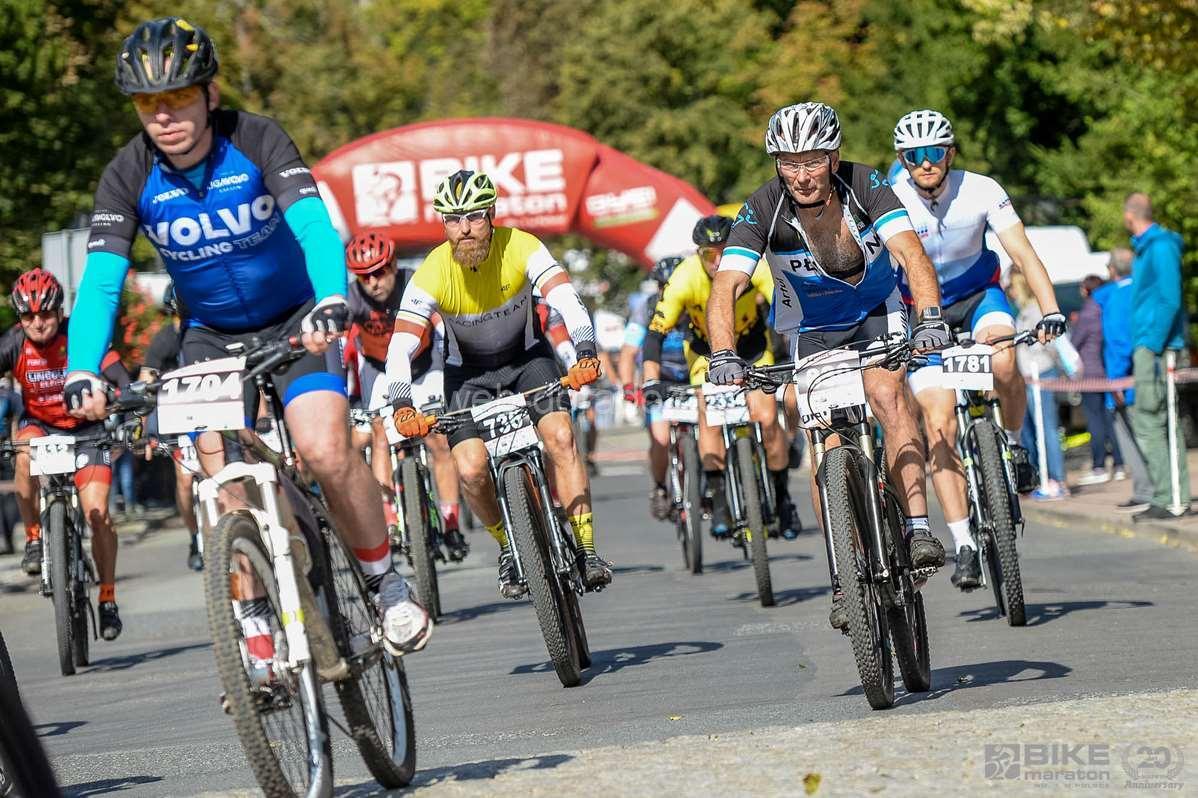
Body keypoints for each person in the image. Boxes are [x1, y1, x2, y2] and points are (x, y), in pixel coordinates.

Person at [63, 17, 430, 656]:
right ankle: (256, 622)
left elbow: (314, 227)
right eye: (148, 103)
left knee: (323, 449)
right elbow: (99, 284)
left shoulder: (257, 138)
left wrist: (332, 299)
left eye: (178, 96)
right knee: (225, 484)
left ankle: (384, 581)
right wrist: (81, 368)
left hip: (297, 318)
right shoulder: (128, 174)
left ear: (209, 93)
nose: (163, 115)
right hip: (209, 336)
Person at [707, 102, 949, 631]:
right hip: (812, 328)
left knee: (888, 397)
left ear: (833, 158)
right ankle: (845, 574)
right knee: (825, 444)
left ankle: (916, 527)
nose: (801, 175)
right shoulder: (762, 207)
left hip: (877, 311)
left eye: (812, 161)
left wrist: (930, 318)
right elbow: (726, 285)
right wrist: (723, 353)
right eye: (789, 163)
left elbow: (911, 255)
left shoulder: (866, 185)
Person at [384, 170, 610, 596]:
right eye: (453, 220)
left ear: (491, 214)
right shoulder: (432, 271)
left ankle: (586, 548)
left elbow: (566, 299)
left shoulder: (522, 246)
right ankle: (508, 547)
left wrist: (585, 352)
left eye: (473, 216)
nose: (464, 229)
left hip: (528, 361)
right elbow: (400, 346)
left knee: (561, 438)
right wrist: (401, 404)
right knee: (470, 469)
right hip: (468, 376)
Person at [890, 109, 1065, 589]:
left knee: (1005, 359)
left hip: (977, 297)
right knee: (939, 421)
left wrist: (1050, 310)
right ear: (903, 161)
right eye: (914, 156)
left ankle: (1014, 444)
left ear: (950, 153)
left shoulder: (982, 189)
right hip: (920, 311)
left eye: (934, 152)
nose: (926, 163)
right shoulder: (892, 201)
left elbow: (1022, 253)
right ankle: (964, 541)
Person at [641, 215, 800, 539]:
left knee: (768, 418)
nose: (716, 262)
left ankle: (783, 498)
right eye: (708, 254)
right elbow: (655, 333)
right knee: (709, 420)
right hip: (706, 354)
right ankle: (720, 500)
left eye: (723, 252)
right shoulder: (685, 276)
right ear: (697, 254)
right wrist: (650, 379)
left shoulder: (753, 266)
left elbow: (787, 304)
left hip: (753, 348)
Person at [3, 269, 131, 640]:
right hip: (41, 426)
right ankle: (33, 538)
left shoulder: (80, 335)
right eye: (28, 315)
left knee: (98, 514)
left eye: (45, 314)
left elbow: (119, 375)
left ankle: (107, 598)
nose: (38, 322)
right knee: (23, 452)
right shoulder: (13, 344)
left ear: (60, 312)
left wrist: (130, 406)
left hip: (86, 432)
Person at [345, 232, 468, 562]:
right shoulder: (352, 298)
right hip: (379, 370)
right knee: (380, 434)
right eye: (365, 276)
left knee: (439, 441)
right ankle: (391, 521)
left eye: (379, 271)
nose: (374, 282)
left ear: (393, 265)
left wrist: (454, 359)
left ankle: (451, 524)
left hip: (423, 365)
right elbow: (340, 344)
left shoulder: (414, 281)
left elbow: (441, 322)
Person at [1123, 192, 1190, 520]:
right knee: (1157, 419)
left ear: (1129, 216)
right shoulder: (1150, 247)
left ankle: (1169, 497)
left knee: (1152, 419)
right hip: (1152, 343)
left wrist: (1152, 343)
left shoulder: (1159, 246)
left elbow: (1169, 299)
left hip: (1156, 347)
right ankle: (1170, 495)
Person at [139, 282, 204, 571]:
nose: (180, 322)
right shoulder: (164, 339)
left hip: (213, 413)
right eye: (175, 315)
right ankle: (195, 536)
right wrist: (142, 431)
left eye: (185, 315)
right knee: (185, 481)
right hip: (180, 421)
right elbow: (145, 382)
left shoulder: (210, 332)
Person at [618, 257, 690, 520]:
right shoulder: (647, 309)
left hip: (692, 376)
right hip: (660, 379)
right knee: (660, 440)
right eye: (664, 286)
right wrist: (629, 386)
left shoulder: (695, 301)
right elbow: (628, 353)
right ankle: (660, 487)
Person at [1093, 248, 1153, 510]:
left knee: (1133, 437)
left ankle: (1146, 492)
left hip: (1126, 382)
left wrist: (1116, 380)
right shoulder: (1144, 290)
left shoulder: (1115, 297)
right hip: (1148, 374)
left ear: (1112, 270)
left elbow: (1119, 341)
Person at [1010, 274, 1069, 500]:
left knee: (1047, 428)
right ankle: (1041, 477)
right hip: (1028, 377)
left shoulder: (1034, 311)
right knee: (1032, 429)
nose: (1010, 292)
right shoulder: (1024, 312)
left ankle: (1058, 479)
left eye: (1012, 287)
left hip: (1041, 373)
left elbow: (1050, 343)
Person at [1071, 274, 1123, 485]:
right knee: (1110, 420)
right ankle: (1119, 464)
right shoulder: (1107, 309)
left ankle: (1099, 465)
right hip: (1108, 371)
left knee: (1095, 421)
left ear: (1086, 290)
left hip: (1090, 374)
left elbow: (1074, 343)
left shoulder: (1087, 314)